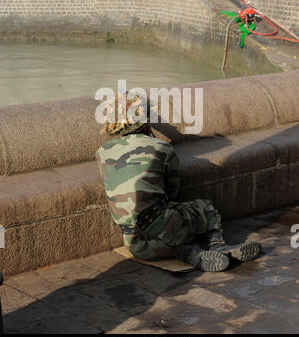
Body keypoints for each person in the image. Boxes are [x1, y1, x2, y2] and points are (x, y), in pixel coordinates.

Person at [96, 94, 262, 272]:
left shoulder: (101, 153)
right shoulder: (161, 148)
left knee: (170, 241)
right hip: (167, 229)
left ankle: (191, 254)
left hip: (135, 244)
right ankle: (218, 247)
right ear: (145, 122)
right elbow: (172, 191)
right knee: (204, 208)